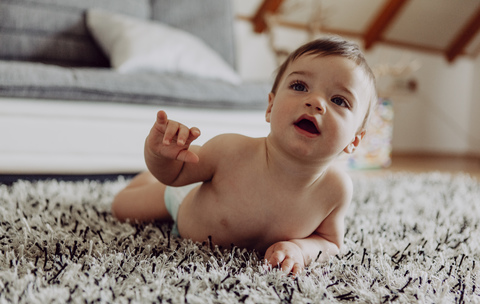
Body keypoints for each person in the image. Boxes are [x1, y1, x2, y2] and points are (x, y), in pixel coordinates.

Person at [112, 36, 377, 274]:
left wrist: (299, 249)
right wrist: (159, 155)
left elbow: (330, 242)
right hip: (182, 201)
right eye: (299, 86)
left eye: (339, 100)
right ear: (270, 107)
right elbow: (175, 174)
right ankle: (146, 179)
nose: (315, 102)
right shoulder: (230, 151)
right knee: (121, 207)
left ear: (354, 140)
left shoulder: (336, 189)